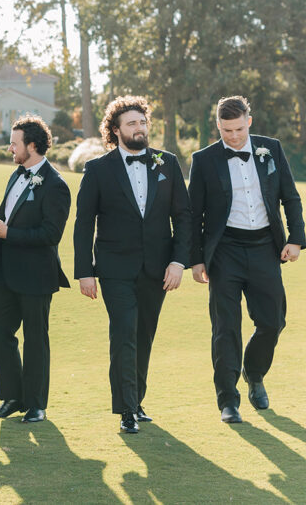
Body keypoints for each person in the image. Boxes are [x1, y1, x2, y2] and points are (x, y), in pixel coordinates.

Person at [73, 96, 191, 433]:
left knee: (144, 335)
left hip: (158, 268)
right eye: (131, 123)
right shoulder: (98, 169)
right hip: (114, 269)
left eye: (142, 122)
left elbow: (183, 216)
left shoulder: (167, 163)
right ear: (115, 130)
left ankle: (136, 401)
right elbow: (84, 223)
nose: (139, 128)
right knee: (124, 332)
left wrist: (178, 262)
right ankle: (126, 410)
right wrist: (85, 271)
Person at [189, 95, 304, 423]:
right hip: (224, 251)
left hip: (265, 248)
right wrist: (196, 259)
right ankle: (228, 401)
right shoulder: (204, 160)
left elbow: (290, 197)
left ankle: (253, 373)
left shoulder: (271, 149)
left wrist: (296, 239)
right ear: (218, 126)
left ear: (248, 122)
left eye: (239, 129)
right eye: (227, 131)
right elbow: (193, 214)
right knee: (225, 327)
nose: (234, 136)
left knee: (273, 322)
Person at [0, 116, 70, 424]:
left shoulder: (56, 185)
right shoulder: (15, 176)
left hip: (36, 275)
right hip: (6, 273)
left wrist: (9, 234)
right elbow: (5, 217)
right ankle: (12, 398)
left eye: (14, 143)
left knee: (35, 339)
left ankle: (36, 404)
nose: (10, 148)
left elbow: (51, 234)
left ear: (32, 145)